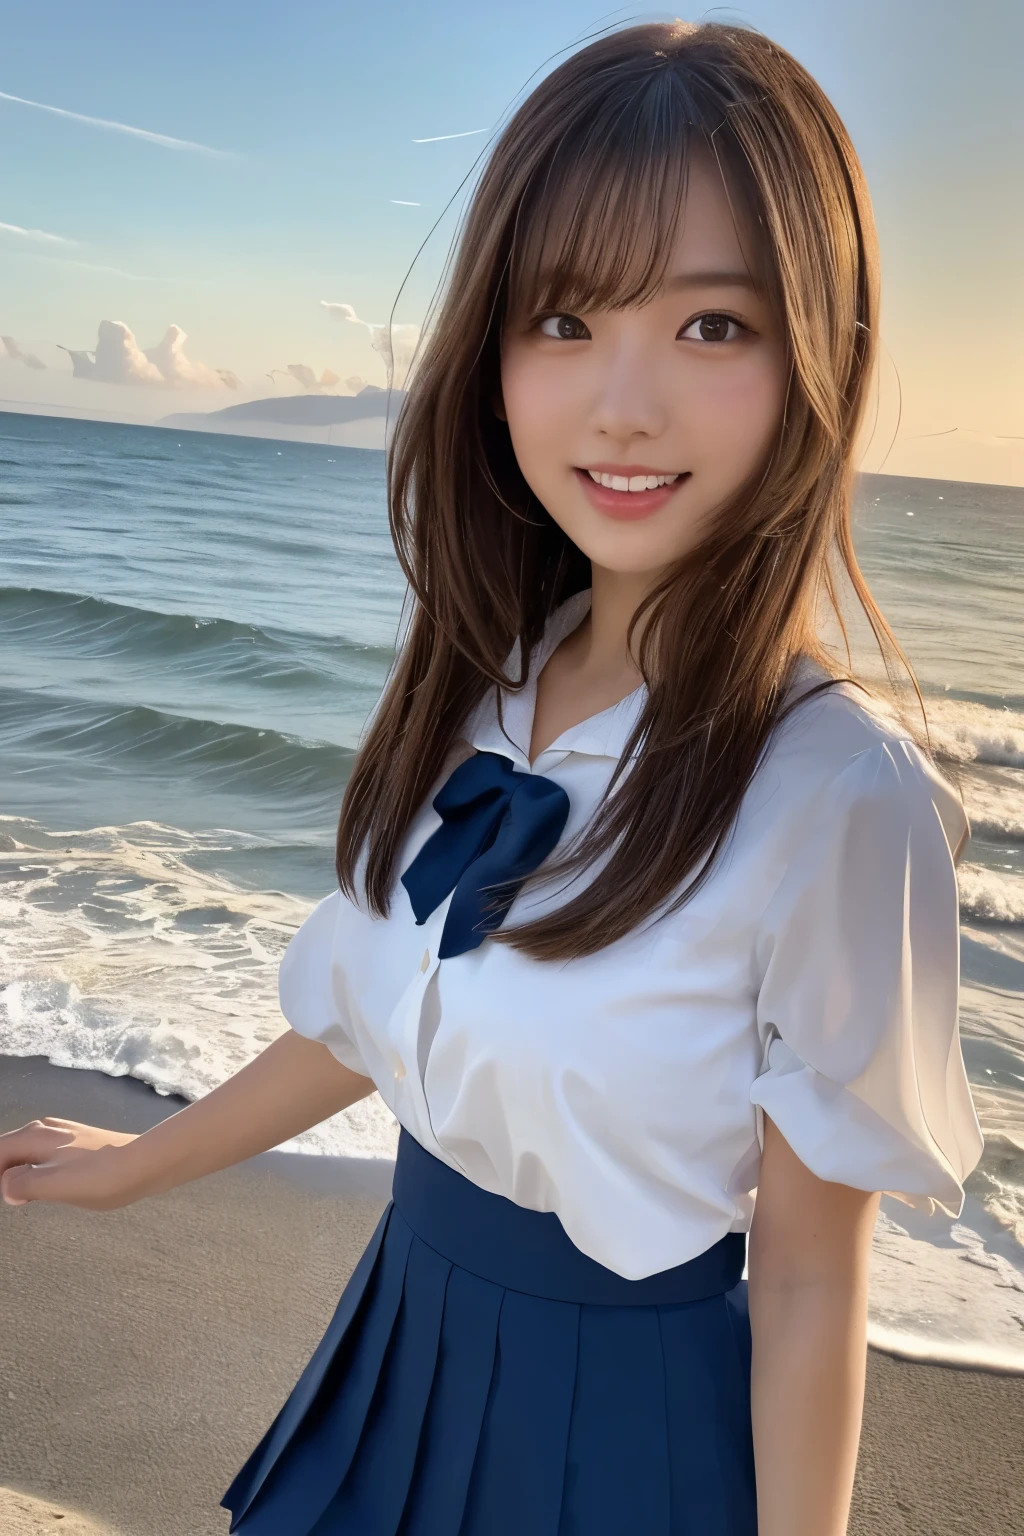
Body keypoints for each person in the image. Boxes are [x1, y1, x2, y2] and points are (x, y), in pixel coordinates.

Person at [0, 18, 984, 1536]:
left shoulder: (840, 795)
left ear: (818, 354)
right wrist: (144, 1167)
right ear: (492, 350)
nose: (623, 405)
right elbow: (374, 1016)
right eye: (566, 320)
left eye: (712, 326)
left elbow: (804, 1275)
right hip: (400, 1334)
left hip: (627, 1432)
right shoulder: (484, 683)